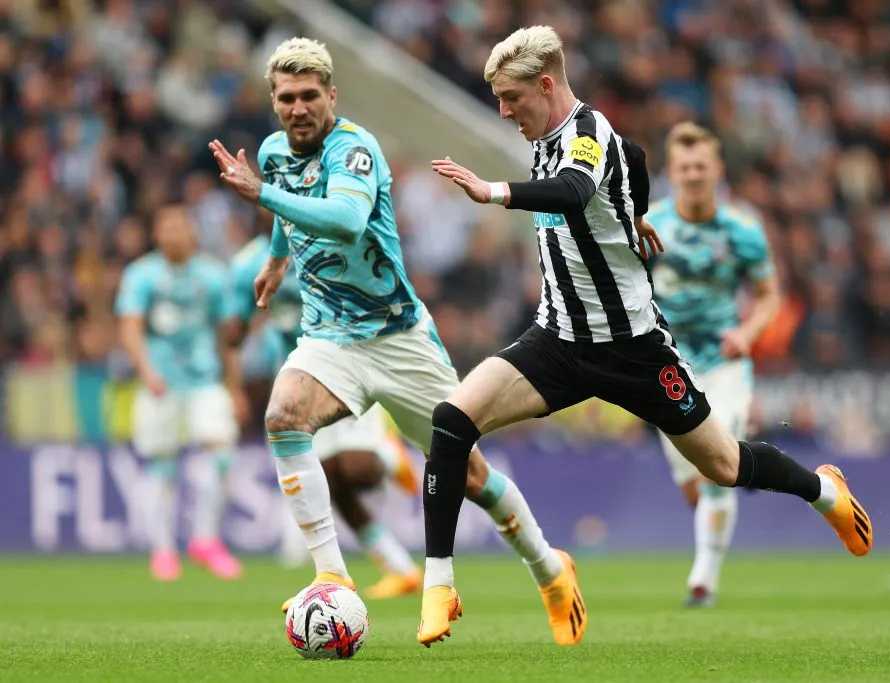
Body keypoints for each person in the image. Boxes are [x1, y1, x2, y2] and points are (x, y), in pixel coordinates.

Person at [421, 24, 873, 646]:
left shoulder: (586, 133)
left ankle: (825, 492)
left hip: (633, 347)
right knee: (450, 422)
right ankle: (440, 585)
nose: (504, 112)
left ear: (546, 84)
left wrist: (493, 191)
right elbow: (631, 157)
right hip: (557, 340)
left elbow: (578, 190)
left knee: (723, 464)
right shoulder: (553, 137)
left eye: (511, 98)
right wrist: (633, 207)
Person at [209, 37, 584, 645]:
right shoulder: (275, 151)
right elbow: (288, 213)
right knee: (283, 415)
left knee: (471, 477)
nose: (299, 107)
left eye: (310, 96)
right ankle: (331, 575)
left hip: (399, 338)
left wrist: (260, 194)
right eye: (287, 98)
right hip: (328, 336)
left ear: (331, 96)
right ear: (273, 103)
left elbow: (345, 218)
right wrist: (277, 261)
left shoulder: (354, 148)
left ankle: (548, 567)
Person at [229, 233, 422, 599]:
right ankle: (400, 568)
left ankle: (386, 454)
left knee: (357, 468)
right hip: (298, 380)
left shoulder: (329, 244)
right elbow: (234, 325)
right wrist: (239, 322)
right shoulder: (245, 266)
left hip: (346, 364)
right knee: (330, 484)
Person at [646, 121, 781, 608]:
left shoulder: (742, 230)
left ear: (717, 170)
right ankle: (710, 543)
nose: (694, 174)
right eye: (685, 167)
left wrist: (746, 333)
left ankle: (703, 580)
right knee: (692, 484)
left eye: (702, 166)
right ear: (672, 172)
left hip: (724, 365)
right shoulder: (651, 223)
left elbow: (769, 296)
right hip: (667, 366)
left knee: (718, 461)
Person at [115, 204, 242, 581]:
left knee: (221, 452)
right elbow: (130, 328)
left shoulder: (214, 276)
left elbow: (228, 337)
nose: (174, 233)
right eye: (166, 226)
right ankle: (164, 551)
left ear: (193, 232)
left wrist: (234, 387)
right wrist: (146, 371)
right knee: (162, 465)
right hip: (161, 382)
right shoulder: (141, 275)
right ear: (156, 234)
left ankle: (205, 540)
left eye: (181, 225)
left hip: (205, 380)